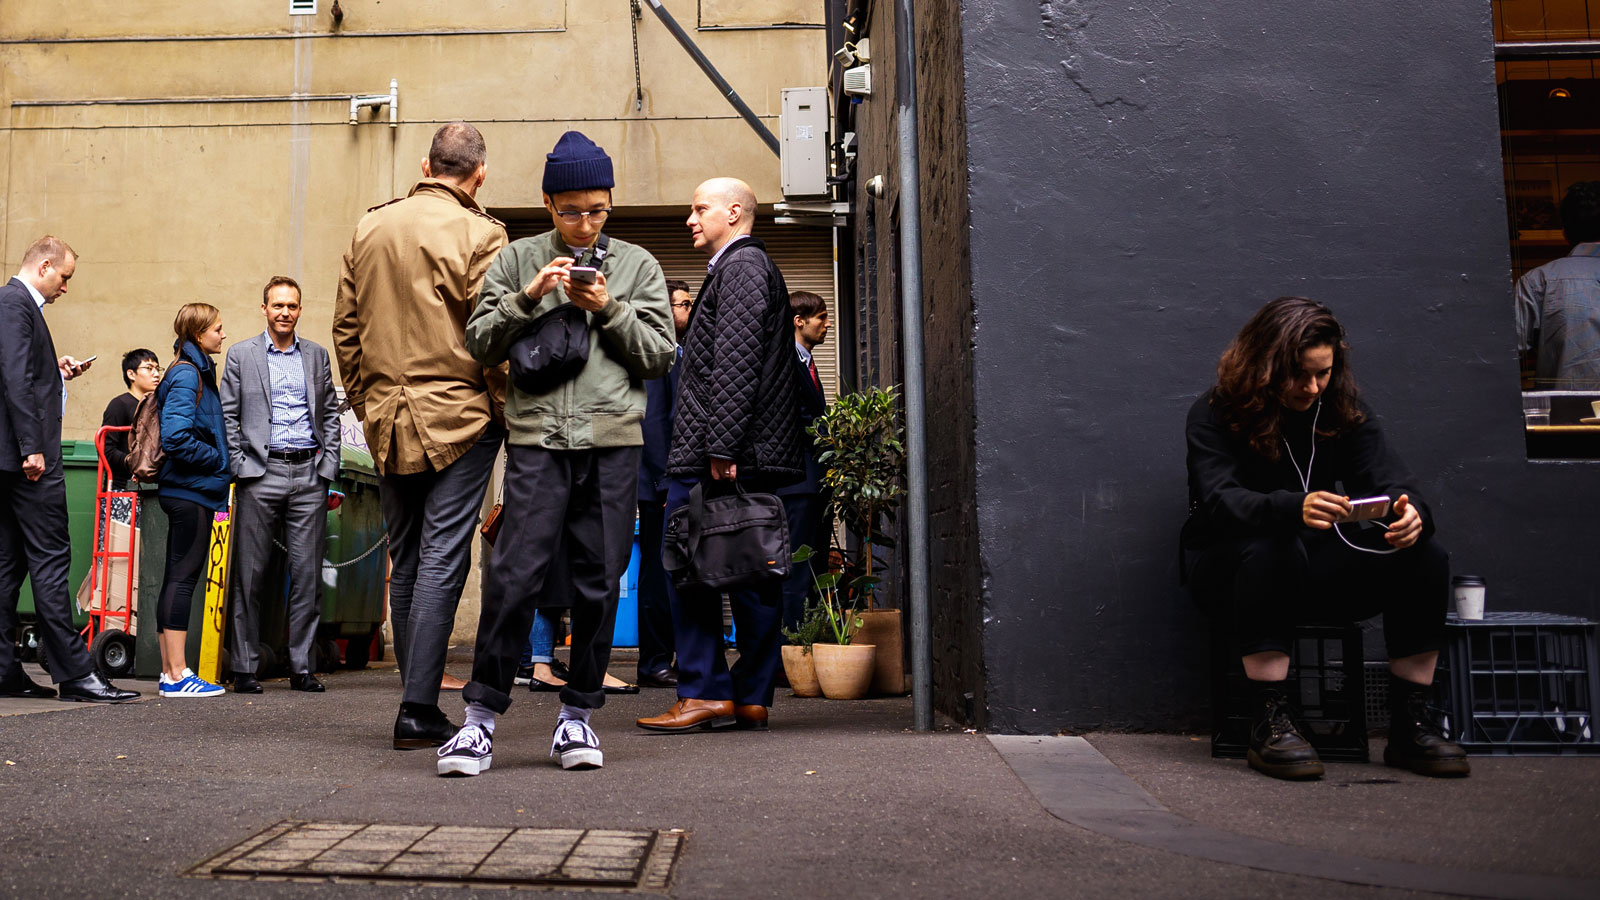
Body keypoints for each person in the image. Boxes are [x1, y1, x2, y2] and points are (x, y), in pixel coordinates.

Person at [441, 130, 675, 777]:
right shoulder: (517, 261)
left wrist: (609, 309)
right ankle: (479, 721)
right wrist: (529, 298)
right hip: (538, 443)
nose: (583, 222)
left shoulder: (637, 267)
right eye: (570, 209)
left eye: (596, 209)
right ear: (548, 204)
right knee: (513, 578)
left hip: (612, 445)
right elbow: (480, 342)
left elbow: (660, 354)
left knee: (600, 584)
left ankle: (577, 718)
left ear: (609, 204)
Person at [1182, 296, 1468, 780]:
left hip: (1318, 567)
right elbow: (1219, 501)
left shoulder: (1341, 410)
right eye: (1299, 374)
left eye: (1324, 373)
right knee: (1274, 542)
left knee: (1424, 554)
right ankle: (1270, 721)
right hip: (1231, 571)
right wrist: (1292, 506)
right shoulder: (1215, 412)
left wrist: (1410, 513)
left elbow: (1393, 480)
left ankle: (1409, 724)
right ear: (1264, 364)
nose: (1312, 387)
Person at [333, 122, 509, 750]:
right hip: (462, 415)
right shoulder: (483, 232)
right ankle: (416, 707)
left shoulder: (369, 225)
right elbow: (492, 339)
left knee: (405, 560)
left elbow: (345, 331)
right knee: (441, 559)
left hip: (385, 417)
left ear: (427, 163)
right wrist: (505, 408)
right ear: (478, 173)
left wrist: (367, 401)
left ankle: (417, 704)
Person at [637, 177, 805, 734]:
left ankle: (706, 692)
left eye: (699, 208)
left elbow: (735, 364)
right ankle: (750, 696)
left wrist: (720, 447)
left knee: (688, 566)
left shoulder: (741, 268)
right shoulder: (745, 269)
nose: (690, 218)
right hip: (742, 450)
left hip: (722, 454)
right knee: (753, 567)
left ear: (734, 213)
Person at [0, 236, 138, 703]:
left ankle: (3, 670)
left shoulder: (17, 306)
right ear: (43, 266)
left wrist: (55, 371)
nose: (66, 287)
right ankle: (77, 675)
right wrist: (32, 447)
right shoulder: (16, 303)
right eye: (65, 277)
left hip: (14, 460)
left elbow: (25, 374)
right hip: (30, 462)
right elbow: (12, 377)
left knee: (9, 566)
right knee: (51, 561)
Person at [220, 276, 341, 694]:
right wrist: (240, 464)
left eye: (292, 306)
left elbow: (329, 414)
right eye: (277, 306)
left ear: (300, 310)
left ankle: (302, 667)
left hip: (309, 473)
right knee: (249, 575)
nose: (285, 312)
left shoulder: (316, 356)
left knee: (307, 575)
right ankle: (245, 667)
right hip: (260, 472)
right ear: (264, 309)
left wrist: (328, 466)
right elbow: (228, 416)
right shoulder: (241, 355)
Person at [154, 303, 232, 698]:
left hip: (189, 490)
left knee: (175, 578)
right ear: (199, 334)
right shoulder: (187, 375)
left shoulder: (193, 370)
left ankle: (170, 673)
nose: (223, 334)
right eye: (217, 329)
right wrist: (219, 460)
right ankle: (179, 674)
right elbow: (176, 437)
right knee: (183, 579)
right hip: (190, 491)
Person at [634, 277, 694, 688]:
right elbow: (654, 422)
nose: (689, 310)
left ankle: (668, 656)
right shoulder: (657, 355)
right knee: (658, 574)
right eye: (683, 304)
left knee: (677, 570)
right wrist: (661, 483)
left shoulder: (679, 351)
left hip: (672, 480)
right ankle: (654, 661)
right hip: (659, 483)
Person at [776, 290, 831, 632]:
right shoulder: (785, 361)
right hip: (797, 482)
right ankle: (792, 645)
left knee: (814, 564)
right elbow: (790, 418)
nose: (827, 324)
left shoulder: (808, 362)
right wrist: (830, 434)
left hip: (816, 482)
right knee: (797, 565)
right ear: (800, 321)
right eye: (821, 318)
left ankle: (808, 640)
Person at [1516, 181, 1600, 390]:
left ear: (1564, 231)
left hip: (1565, 416)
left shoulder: (1537, 281)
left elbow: (1505, 356)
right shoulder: (1537, 281)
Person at [100, 349, 161, 488]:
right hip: (122, 489)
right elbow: (106, 450)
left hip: (152, 488)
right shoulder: (119, 405)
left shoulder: (159, 406)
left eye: (158, 369)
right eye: (149, 368)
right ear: (131, 374)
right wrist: (133, 462)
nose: (156, 374)